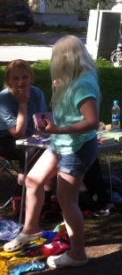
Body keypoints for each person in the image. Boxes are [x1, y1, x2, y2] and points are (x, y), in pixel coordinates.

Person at [4, 35, 101, 268]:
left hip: (76, 148)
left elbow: (92, 121)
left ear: (66, 58)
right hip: (61, 142)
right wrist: (53, 119)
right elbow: (70, 112)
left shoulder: (82, 84)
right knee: (32, 180)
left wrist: (58, 128)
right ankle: (31, 230)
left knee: (67, 201)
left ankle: (78, 254)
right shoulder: (72, 79)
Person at [0, 60, 48, 185]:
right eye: (15, 78)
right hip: (6, 139)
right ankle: (22, 185)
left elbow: (42, 123)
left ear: (31, 78)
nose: (21, 82)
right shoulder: (3, 99)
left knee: (53, 148)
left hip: (32, 137)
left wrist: (37, 136)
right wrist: (23, 104)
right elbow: (17, 133)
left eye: (25, 77)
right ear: (9, 80)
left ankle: (51, 191)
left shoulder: (36, 93)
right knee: (33, 149)